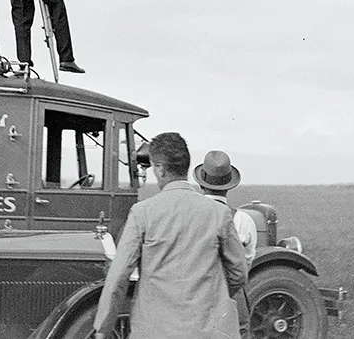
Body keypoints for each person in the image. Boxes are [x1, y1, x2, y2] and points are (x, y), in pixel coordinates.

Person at [94, 132, 248, 339]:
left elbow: (118, 277)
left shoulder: (142, 213)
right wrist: (212, 297)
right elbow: (238, 272)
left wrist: (103, 328)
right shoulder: (219, 213)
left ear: (160, 168)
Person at [194, 150, 258, 263]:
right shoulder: (244, 220)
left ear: (201, 184)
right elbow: (248, 260)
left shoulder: (189, 215)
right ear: (229, 186)